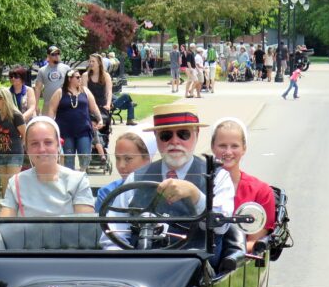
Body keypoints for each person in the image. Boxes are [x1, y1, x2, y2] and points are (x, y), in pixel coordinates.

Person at [103, 104, 235, 253]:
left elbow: (221, 226)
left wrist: (195, 195)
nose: (174, 142)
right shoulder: (136, 177)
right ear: (156, 138)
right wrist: (123, 263)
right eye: (166, 135)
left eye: (183, 134)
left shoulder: (217, 176)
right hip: (142, 267)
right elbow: (113, 232)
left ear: (196, 134)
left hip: (195, 268)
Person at [0, 117, 95, 217]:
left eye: (48, 142)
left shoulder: (77, 181)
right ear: (27, 149)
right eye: (34, 144)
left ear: (58, 145)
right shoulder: (16, 182)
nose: (42, 149)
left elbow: (86, 227)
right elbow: (4, 225)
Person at [210, 117, 276, 252]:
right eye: (222, 145)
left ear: (244, 149)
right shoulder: (199, 186)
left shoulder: (261, 191)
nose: (228, 152)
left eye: (234, 146)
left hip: (239, 263)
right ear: (212, 147)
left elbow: (255, 242)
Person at [47, 69, 101, 170]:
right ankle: (69, 181)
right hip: (65, 131)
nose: (80, 79)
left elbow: (94, 107)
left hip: (83, 130)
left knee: (85, 157)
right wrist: (51, 127)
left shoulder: (85, 91)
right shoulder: (60, 92)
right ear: (69, 79)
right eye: (77, 77)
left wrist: (100, 119)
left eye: (80, 77)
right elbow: (52, 110)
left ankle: (82, 176)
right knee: (68, 160)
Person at [94, 132, 153, 213]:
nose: (121, 165)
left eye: (128, 158)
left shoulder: (163, 189)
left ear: (147, 159)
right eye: (117, 158)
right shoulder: (107, 192)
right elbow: (100, 224)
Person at [34, 46, 70, 115]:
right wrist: (36, 105)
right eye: (53, 54)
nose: (56, 56)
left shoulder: (66, 68)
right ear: (48, 56)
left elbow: (71, 84)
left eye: (58, 53)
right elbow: (38, 88)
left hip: (63, 103)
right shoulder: (42, 70)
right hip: (48, 104)